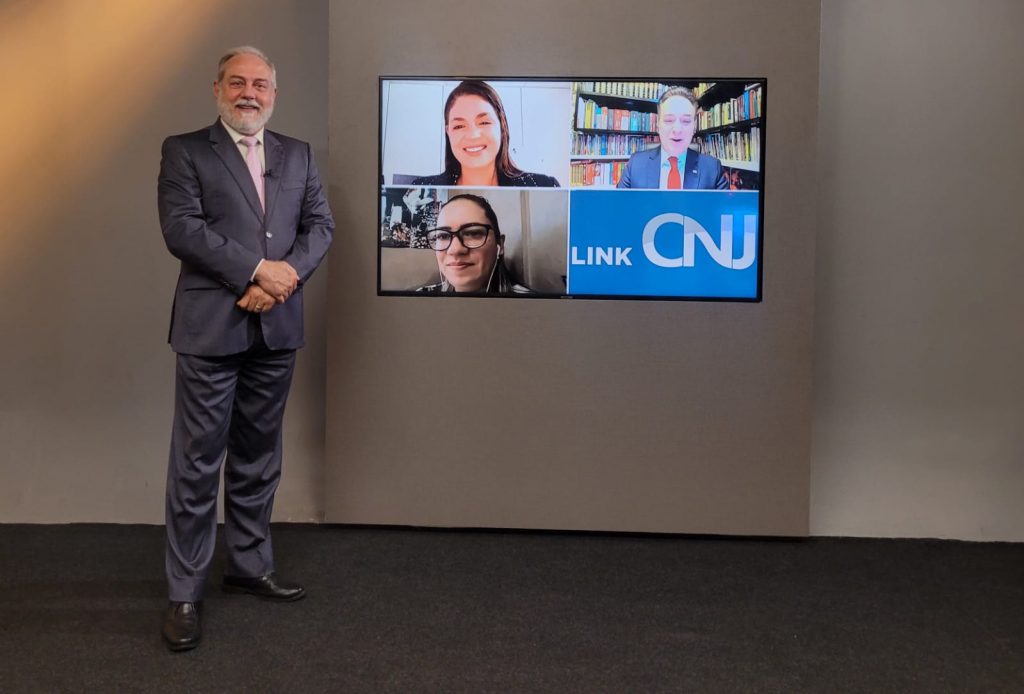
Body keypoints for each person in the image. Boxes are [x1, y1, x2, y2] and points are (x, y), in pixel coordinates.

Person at [157, 46, 334, 651]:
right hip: (212, 327)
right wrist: (258, 270)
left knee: (260, 456)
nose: (248, 92)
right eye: (237, 82)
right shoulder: (183, 151)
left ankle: (250, 566)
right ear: (217, 89)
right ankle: (184, 590)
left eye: (260, 83)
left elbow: (320, 228)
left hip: (276, 326)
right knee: (197, 462)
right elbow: (182, 229)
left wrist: (281, 278)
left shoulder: (299, 154)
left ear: (274, 93)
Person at [412, 80, 560, 188]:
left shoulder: (543, 186)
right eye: (459, 126)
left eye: (484, 122)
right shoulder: (420, 188)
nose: (473, 135)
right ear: (448, 132)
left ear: (502, 127)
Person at [616, 86, 728, 190]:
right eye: (669, 120)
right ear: (658, 125)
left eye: (686, 121)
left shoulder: (713, 169)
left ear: (694, 127)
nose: (677, 129)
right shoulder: (636, 164)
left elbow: (726, 209)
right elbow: (617, 208)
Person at [417, 193, 531, 294]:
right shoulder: (420, 299)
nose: (455, 250)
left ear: (499, 245)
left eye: (473, 233)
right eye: (443, 236)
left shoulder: (533, 306)